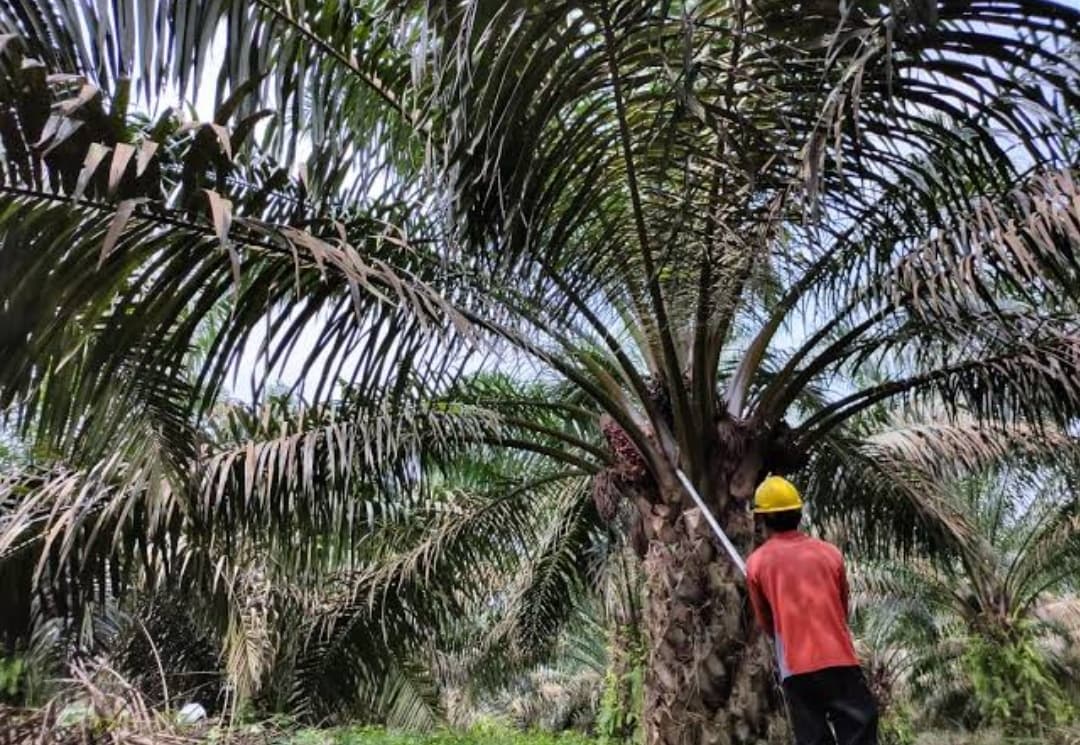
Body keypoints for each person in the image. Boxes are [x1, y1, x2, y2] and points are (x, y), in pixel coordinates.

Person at [746, 475, 879, 745]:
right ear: (798, 513)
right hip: (840, 661)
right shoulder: (830, 553)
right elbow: (841, 609)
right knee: (860, 735)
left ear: (761, 519)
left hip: (796, 670)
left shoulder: (756, 563)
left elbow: (767, 623)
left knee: (813, 739)